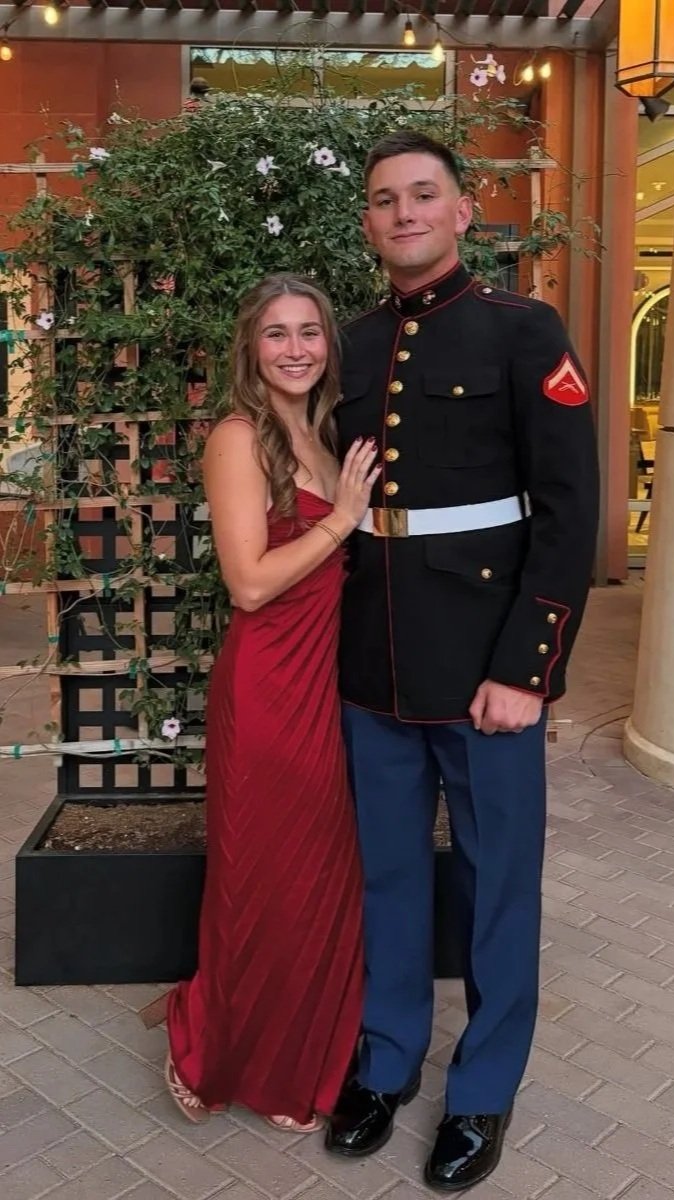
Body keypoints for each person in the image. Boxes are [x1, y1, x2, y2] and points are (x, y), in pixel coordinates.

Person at [325, 132, 600, 1190]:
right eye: (384, 199)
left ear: (461, 211)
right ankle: (387, 1058)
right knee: (388, 875)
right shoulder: (348, 345)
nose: (402, 212)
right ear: (368, 222)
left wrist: (528, 666)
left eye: (422, 194)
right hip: (373, 659)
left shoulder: (519, 332)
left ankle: (482, 1086)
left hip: (485, 658)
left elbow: (567, 510)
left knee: (494, 883)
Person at [142, 274, 380, 1129]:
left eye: (308, 332)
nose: (294, 349)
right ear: (251, 347)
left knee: (318, 883)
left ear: (328, 344)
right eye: (276, 334)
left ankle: (298, 1055)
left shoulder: (323, 433)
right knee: (263, 880)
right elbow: (247, 585)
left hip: (328, 682)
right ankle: (212, 1046)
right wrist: (342, 520)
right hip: (269, 688)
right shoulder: (239, 437)